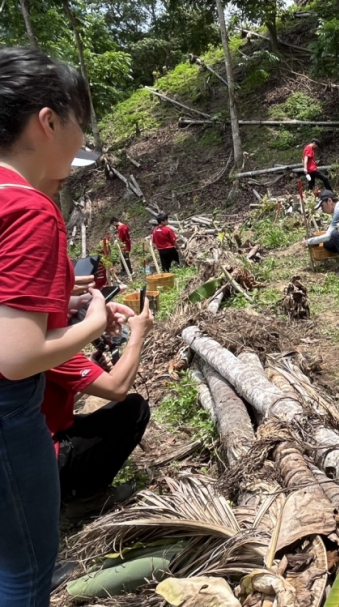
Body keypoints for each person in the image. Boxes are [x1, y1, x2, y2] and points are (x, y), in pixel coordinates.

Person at [0, 47, 131, 605]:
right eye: (79, 120)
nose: (81, 136)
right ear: (49, 121)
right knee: (26, 573)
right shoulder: (29, 208)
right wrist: (96, 318)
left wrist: (58, 303)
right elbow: (18, 355)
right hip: (8, 416)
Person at [44, 299, 153, 519]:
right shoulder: (49, 348)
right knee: (134, 409)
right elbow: (118, 387)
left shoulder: (20, 345)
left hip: (28, 453)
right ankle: (87, 499)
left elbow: (51, 399)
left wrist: (91, 370)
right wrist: (138, 334)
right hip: (46, 462)